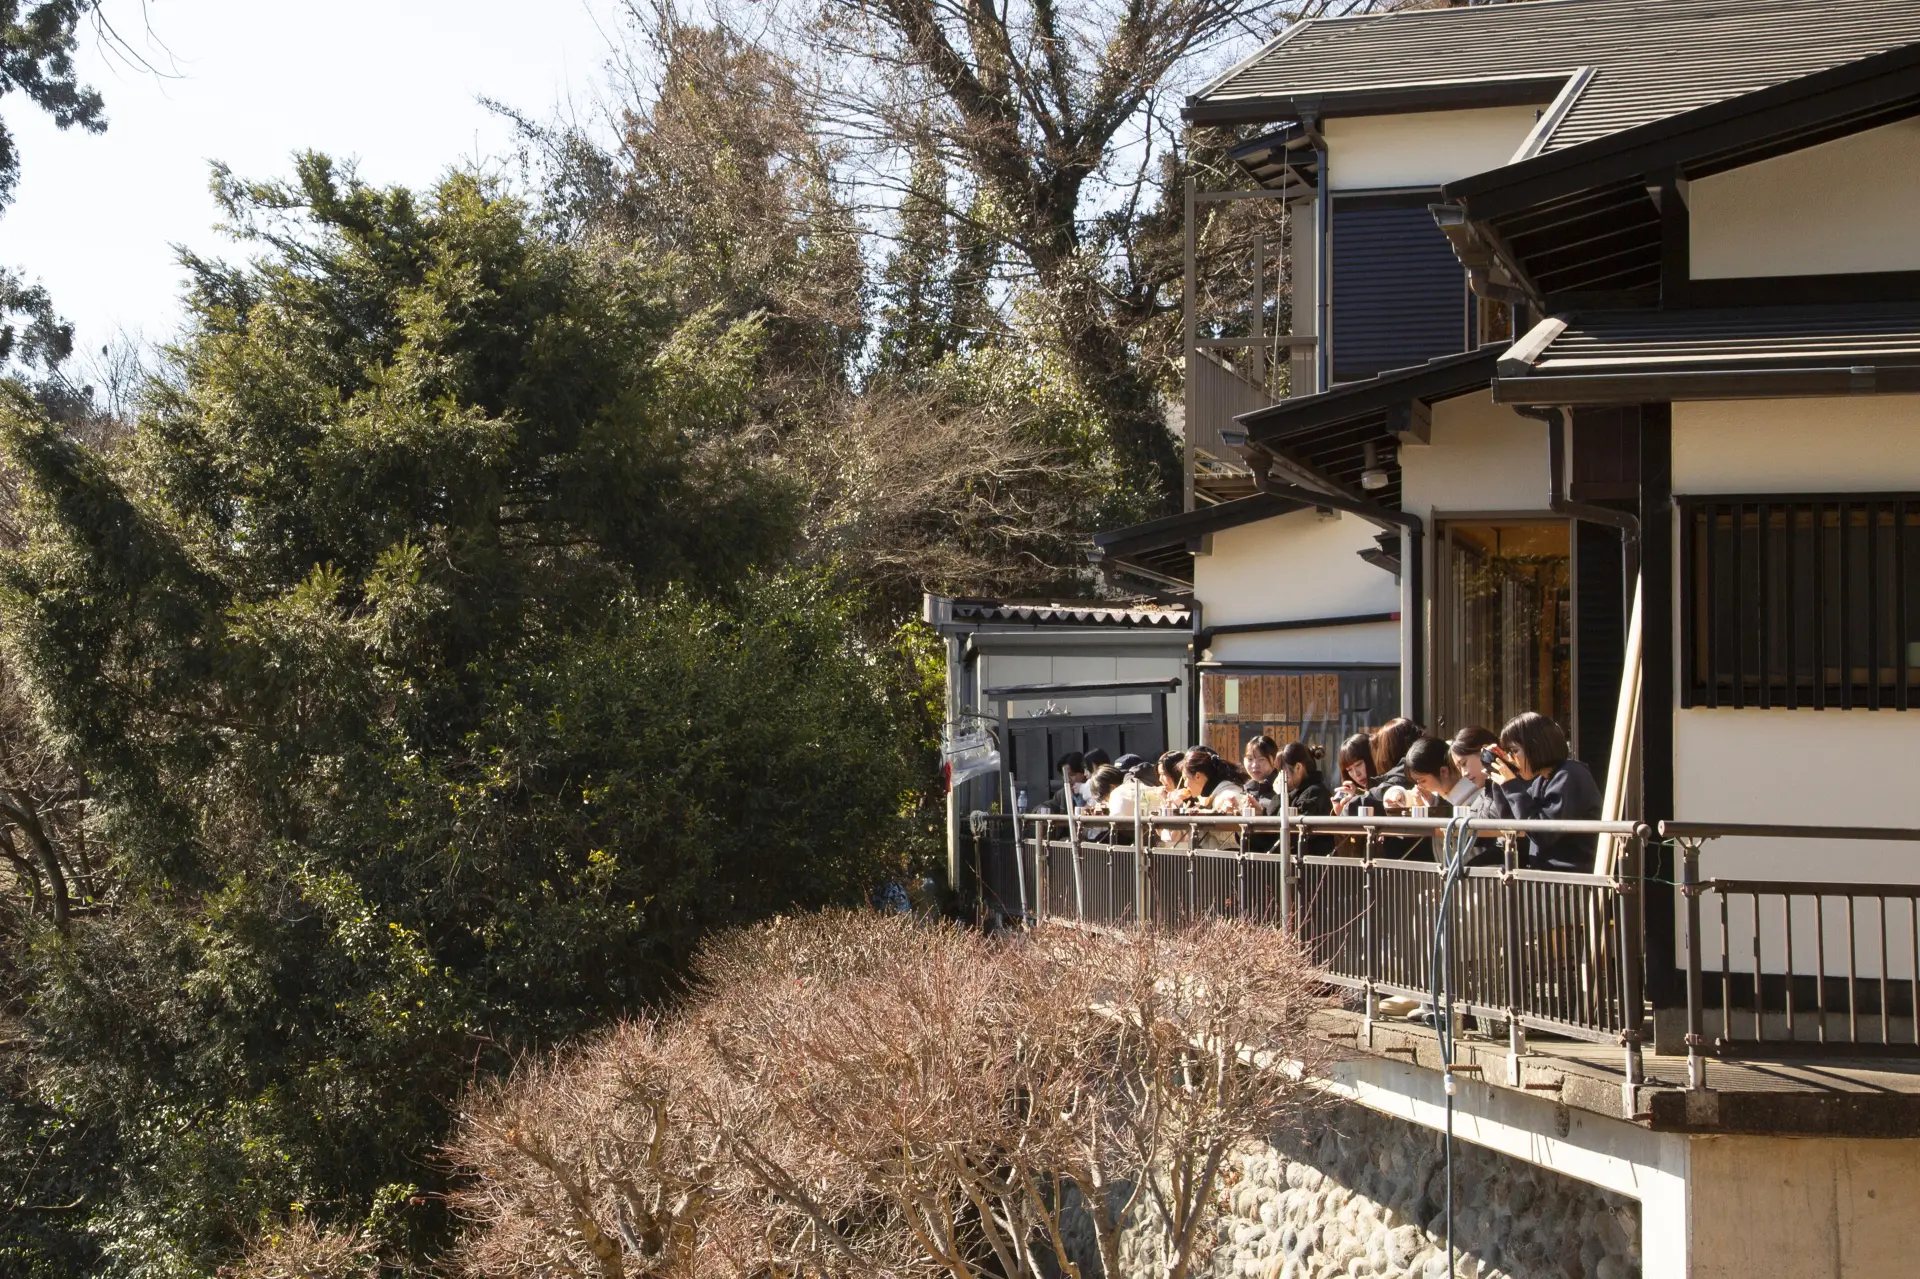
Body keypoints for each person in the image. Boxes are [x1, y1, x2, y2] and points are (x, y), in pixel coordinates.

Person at [1488, 712, 1601, 871]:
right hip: (1548, 878)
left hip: (1572, 880)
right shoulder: (1541, 780)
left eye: (1513, 750)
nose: (1511, 757)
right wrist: (1502, 779)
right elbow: (1511, 824)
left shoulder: (1569, 774)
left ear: (1535, 746)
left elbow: (1543, 833)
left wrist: (1511, 785)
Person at [1331, 732, 1376, 815]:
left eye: (1358, 764)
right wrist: (1341, 812)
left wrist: (1357, 800)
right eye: (1349, 770)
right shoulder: (1350, 792)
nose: (1356, 774)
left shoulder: (1387, 786)